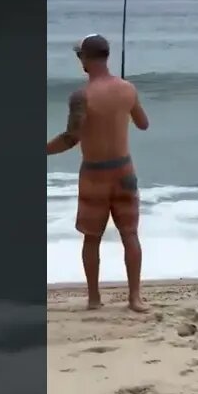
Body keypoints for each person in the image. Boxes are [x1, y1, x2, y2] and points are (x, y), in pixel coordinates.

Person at [47, 34, 150, 312]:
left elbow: (71, 138)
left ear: (86, 58)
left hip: (94, 175)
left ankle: (94, 298)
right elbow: (143, 124)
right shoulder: (128, 89)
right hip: (124, 171)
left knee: (92, 237)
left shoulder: (81, 96)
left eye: (79, 55)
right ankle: (135, 298)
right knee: (130, 234)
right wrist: (124, 104)